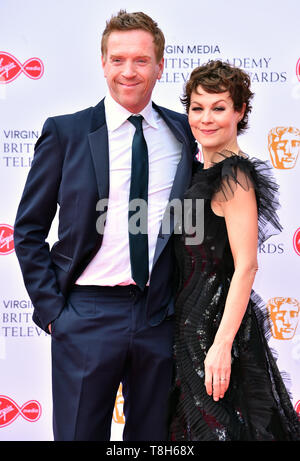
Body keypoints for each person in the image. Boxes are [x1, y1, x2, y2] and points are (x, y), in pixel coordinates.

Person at [14, 10, 197, 441]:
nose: (128, 71)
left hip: (159, 317)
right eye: (117, 60)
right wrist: (56, 313)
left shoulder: (184, 133)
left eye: (140, 60)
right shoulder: (67, 133)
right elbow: (28, 229)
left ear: (160, 66)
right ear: (103, 64)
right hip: (85, 316)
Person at [168, 60, 300, 441]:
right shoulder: (194, 174)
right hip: (187, 337)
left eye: (219, 107)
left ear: (240, 112)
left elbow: (246, 267)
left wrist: (221, 346)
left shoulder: (234, 177)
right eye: (197, 107)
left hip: (219, 341)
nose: (206, 118)